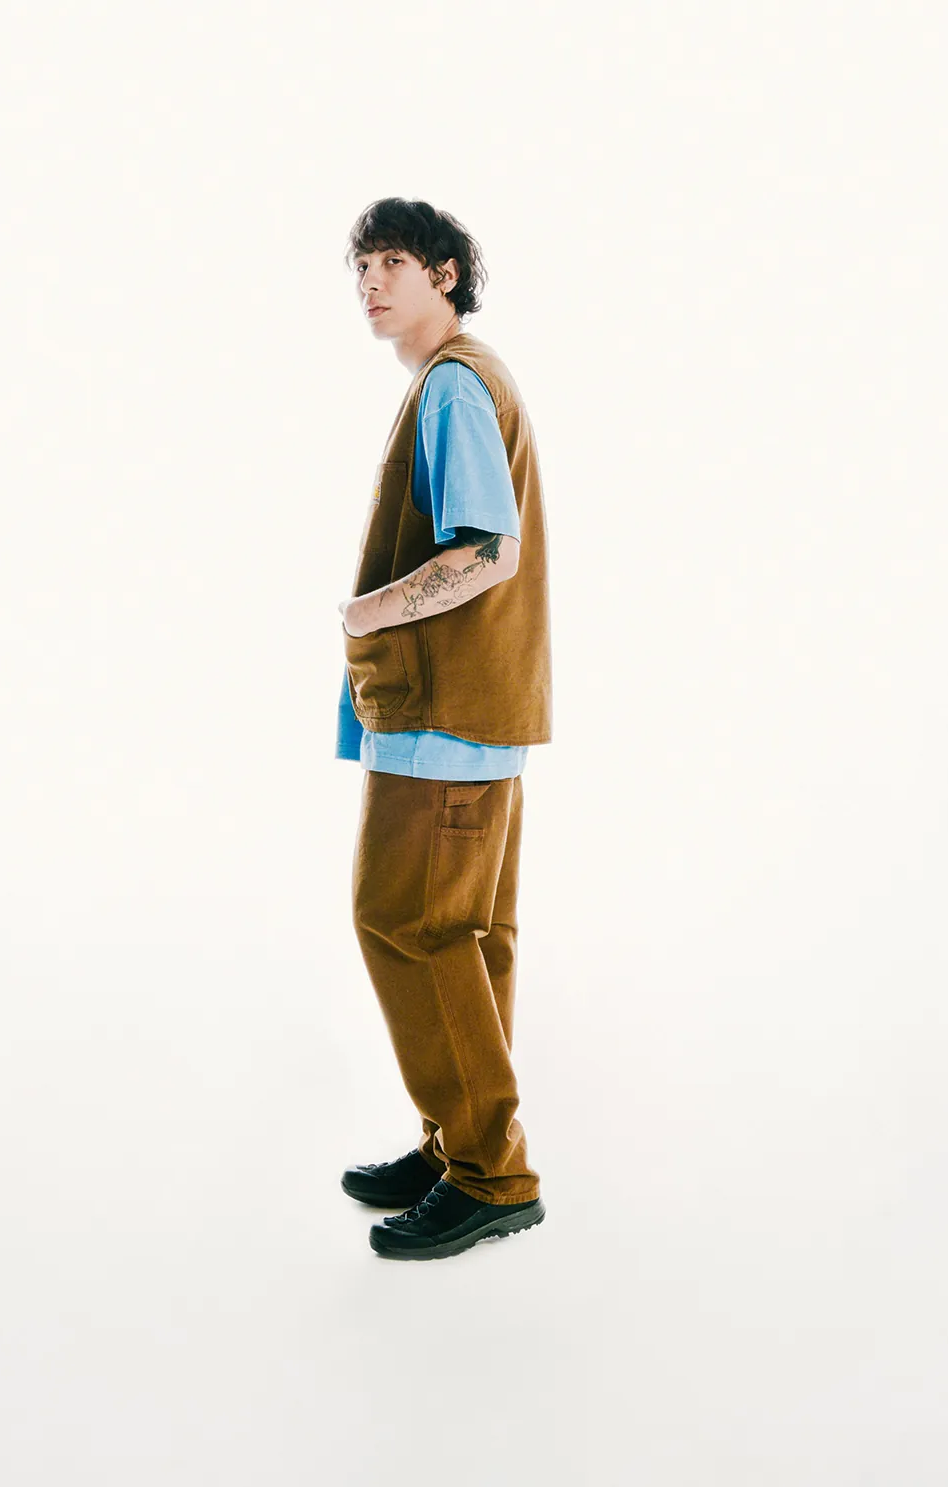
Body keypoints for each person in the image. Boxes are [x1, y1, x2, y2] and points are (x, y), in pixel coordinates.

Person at [335, 197, 553, 1260]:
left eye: (392, 261)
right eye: (361, 268)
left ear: (447, 273)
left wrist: (369, 611)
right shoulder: (457, 381)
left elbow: (487, 549)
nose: (371, 283)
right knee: (463, 937)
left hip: (443, 722)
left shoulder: (456, 385)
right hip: (466, 719)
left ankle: (490, 1173)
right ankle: (457, 1141)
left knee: (406, 922)